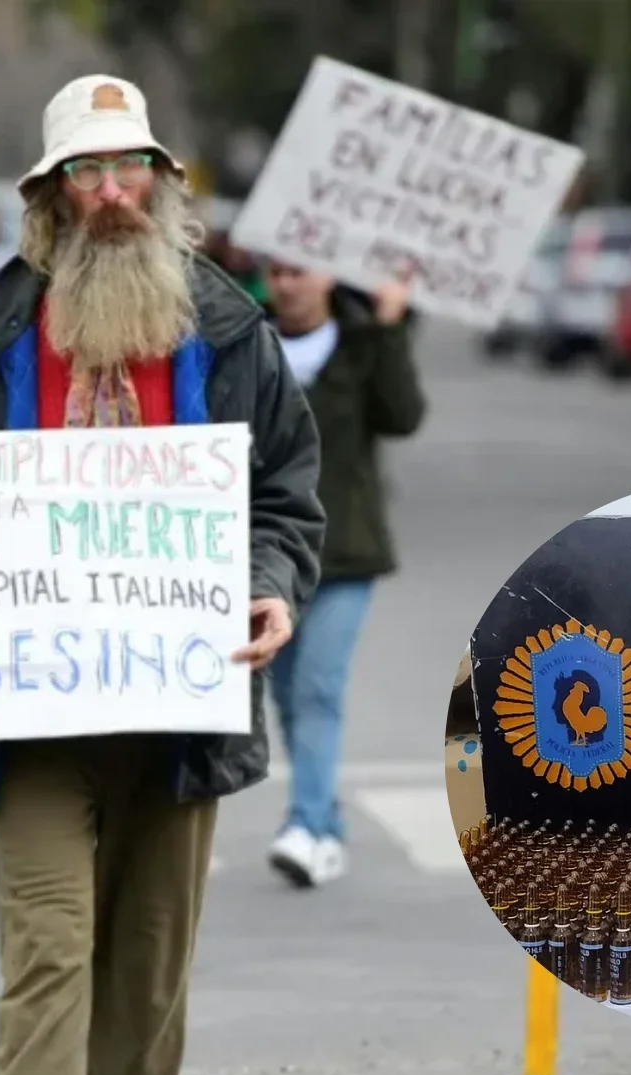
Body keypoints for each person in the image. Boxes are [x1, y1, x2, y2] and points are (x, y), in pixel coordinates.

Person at [0, 75, 324, 1075]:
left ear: (164, 181)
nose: (114, 190)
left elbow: (287, 495)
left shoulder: (232, 331)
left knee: (146, 975)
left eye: (132, 166)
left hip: (181, 714)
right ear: (52, 196)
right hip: (29, 716)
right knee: (46, 957)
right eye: (89, 170)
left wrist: (269, 586)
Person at [259, 258, 425, 889]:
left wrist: (389, 326)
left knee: (318, 688)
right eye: (275, 273)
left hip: (346, 553)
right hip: (268, 557)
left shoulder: (360, 345)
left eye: (299, 271)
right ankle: (324, 820)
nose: (286, 283)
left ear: (329, 277)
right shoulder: (248, 345)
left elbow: (403, 416)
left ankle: (304, 824)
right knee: (286, 693)